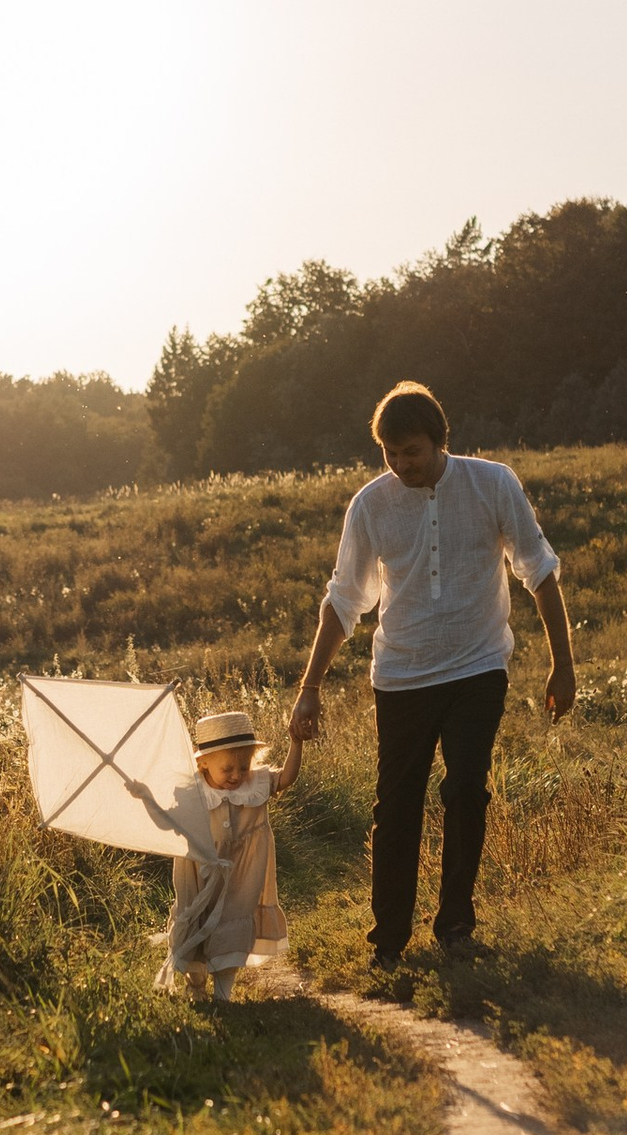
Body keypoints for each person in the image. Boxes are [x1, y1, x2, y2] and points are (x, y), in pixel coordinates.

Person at [283, 384, 574, 972]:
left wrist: (563, 664)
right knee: (397, 806)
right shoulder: (370, 505)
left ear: (441, 442)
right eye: (390, 452)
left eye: (411, 451)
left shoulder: (493, 484)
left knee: (467, 788)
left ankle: (456, 927)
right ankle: (388, 940)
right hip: (402, 674)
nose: (400, 464)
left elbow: (539, 571)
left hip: (478, 665)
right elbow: (343, 602)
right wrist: (309, 688)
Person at [161, 706, 292, 1001]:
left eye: (243, 767)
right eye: (227, 769)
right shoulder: (190, 792)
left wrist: (297, 743)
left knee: (232, 923)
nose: (236, 776)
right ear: (204, 762)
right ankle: (195, 985)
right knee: (194, 921)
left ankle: (223, 995)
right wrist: (143, 795)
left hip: (242, 872)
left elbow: (286, 779)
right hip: (197, 871)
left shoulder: (255, 784)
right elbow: (164, 821)